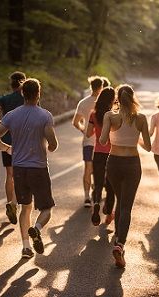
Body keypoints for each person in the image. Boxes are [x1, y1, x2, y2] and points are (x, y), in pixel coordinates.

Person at [0, 78, 58, 259]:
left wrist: (6, 148)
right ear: (38, 94)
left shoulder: (11, 115)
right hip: (38, 169)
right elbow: (53, 143)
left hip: (18, 169)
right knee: (46, 209)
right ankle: (37, 228)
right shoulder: (45, 116)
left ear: (22, 93)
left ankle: (26, 247)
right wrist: (49, 147)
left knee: (25, 208)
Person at [100, 84, 151, 268]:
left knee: (121, 200)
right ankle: (120, 244)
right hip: (132, 164)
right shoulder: (141, 118)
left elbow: (103, 140)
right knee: (126, 206)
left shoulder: (110, 116)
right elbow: (148, 147)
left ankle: (118, 239)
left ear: (117, 99)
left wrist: (113, 129)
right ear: (132, 97)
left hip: (114, 163)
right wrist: (134, 137)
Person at [0, 71, 26, 225]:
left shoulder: (4, 99)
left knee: (9, 174)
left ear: (11, 84)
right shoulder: (28, 98)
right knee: (20, 174)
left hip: (7, 141)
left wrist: (0, 125)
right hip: (23, 142)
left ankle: (10, 203)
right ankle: (14, 204)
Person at [86, 87, 116, 227]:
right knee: (111, 186)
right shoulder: (112, 115)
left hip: (97, 153)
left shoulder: (94, 114)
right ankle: (109, 210)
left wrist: (97, 131)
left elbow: (88, 133)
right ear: (111, 100)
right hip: (112, 153)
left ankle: (96, 203)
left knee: (98, 183)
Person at [72, 76, 103, 208]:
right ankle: (97, 194)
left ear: (91, 87)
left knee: (88, 168)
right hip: (102, 142)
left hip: (88, 142)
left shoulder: (83, 103)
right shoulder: (104, 102)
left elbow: (75, 122)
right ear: (101, 87)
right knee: (100, 169)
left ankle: (86, 197)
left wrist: (84, 130)